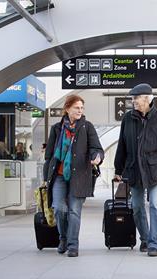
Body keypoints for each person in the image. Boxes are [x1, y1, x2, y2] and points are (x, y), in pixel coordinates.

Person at [114, 83, 157, 257]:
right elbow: (121, 145)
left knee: (156, 206)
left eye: (135, 98)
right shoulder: (127, 119)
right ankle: (145, 238)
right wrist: (118, 168)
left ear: (147, 99)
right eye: (132, 98)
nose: (133, 101)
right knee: (137, 207)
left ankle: (154, 243)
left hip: (155, 171)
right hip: (133, 169)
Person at [43, 94, 104, 257]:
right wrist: (45, 178)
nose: (80, 110)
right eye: (77, 107)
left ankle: (72, 245)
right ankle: (63, 238)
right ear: (67, 108)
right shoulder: (56, 129)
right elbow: (49, 156)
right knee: (59, 209)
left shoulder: (87, 127)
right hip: (59, 176)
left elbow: (97, 148)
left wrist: (97, 157)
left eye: (82, 108)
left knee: (74, 211)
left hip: (80, 176)